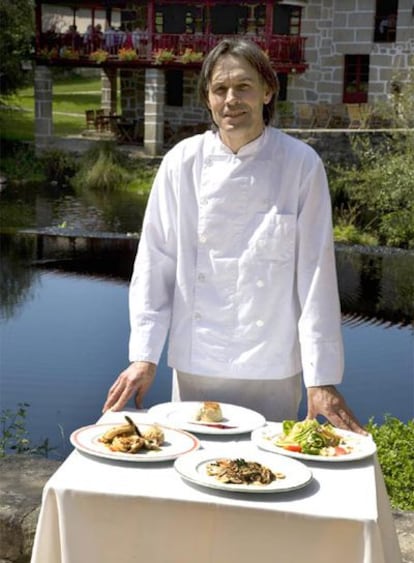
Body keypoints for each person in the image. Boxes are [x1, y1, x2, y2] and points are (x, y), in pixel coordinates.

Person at [103, 38, 366, 434]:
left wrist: (321, 378)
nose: (231, 99)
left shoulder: (301, 165)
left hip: (273, 366)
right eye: (219, 89)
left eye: (243, 86)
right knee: (193, 470)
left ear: (268, 90)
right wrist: (144, 355)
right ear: (207, 98)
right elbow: (155, 263)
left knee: (269, 477)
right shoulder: (181, 163)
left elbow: (315, 277)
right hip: (197, 363)